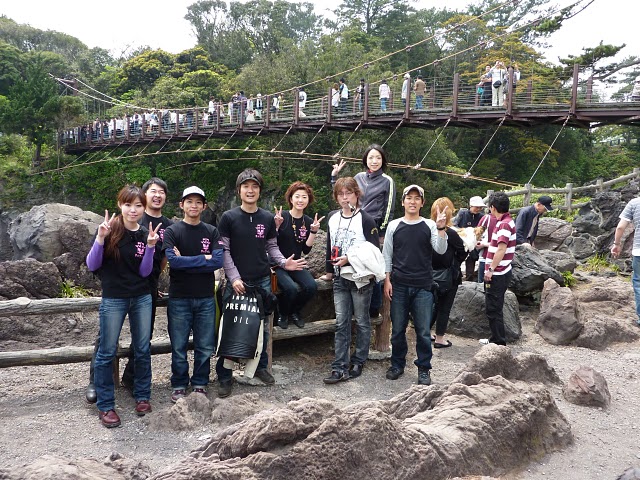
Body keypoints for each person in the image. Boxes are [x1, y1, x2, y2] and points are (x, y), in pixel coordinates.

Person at [216, 168, 307, 397]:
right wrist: (234, 277)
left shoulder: (266, 218)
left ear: (259, 190)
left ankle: (260, 367)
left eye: (254, 186)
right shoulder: (228, 218)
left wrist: (284, 262)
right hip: (237, 282)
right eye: (246, 186)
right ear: (239, 191)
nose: (250, 190)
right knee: (231, 327)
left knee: (262, 327)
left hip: (262, 279)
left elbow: (271, 246)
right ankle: (224, 376)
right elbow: (224, 251)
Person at [85, 178, 172, 404]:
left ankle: (141, 394)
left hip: (142, 295)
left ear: (143, 207)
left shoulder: (148, 232)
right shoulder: (110, 229)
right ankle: (104, 400)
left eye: (138, 206)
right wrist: (100, 238)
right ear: (120, 205)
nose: (133, 210)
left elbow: (147, 269)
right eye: (128, 205)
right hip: (114, 297)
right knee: (106, 348)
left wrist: (151, 248)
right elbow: (92, 264)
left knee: (142, 348)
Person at [163, 186, 223, 402]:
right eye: (189, 201)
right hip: (179, 297)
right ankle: (179, 384)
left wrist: (186, 260)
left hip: (205, 297)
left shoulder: (211, 231)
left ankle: (200, 382)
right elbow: (173, 262)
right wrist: (203, 258)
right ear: (182, 205)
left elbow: (218, 261)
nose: (194, 206)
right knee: (178, 346)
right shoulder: (172, 231)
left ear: (204, 206)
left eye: (198, 202)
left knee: (205, 345)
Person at [383, 185, 448, 385]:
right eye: (409, 198)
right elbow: (387, 254)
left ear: (422, 202)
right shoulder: (394, 225)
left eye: (416, 198)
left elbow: (440, 249)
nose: (412, 201)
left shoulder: (429, 225)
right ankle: (397, 364)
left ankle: (424, 368)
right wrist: (387, 280)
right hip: (399, 284)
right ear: (403, 202)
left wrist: (441, 228)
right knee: (397, 329)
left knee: (423, 331)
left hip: (423, 286)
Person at [322, 177, 384, 384]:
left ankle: (358, 360)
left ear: (357, 195)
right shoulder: (332, 218)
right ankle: (339, 366)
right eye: (340, 194)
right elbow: (330, 244)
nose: (345, 197)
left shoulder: (366, 219)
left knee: (362, 321)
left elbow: (374, 250)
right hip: (339, 277)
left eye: (348, 193)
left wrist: (349, 258)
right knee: (341, 323)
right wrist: (329, 271)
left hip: (360, 278)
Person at [331, 144, 396, 317]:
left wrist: (381, 232)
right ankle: (354, 306)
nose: (374, 161)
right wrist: (334, 177)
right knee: (354, 262)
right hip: (355, 222)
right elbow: (343, 195)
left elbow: (389, 208)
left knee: (372, 264)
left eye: (378, 158)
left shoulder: (387, 181)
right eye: (371, 157)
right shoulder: (358, 177)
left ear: (383, 160)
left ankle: (374, 307)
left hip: (373, 226)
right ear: (365, 159)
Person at [273, 182, 324, 329]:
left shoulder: (307, 221)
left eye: (304, 197)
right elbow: (270, 243)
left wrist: (313, 231)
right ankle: (283, 313)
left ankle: (295, 311)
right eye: (297, 196)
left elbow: (306, 250)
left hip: (296, 263)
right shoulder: (281, 217)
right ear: (291, 199)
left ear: (308, 200)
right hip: (278, 264)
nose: (300, 200)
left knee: (311, 287)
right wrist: (276, 226)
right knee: (290, 288)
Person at [480, 191, 516, 346]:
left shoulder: (504, 224)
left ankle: (498, 342)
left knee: (493, 308)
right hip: (502, 270)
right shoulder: (507, 221)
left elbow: (501, 249)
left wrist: (491, 269)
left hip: (498, 273)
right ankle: (495, 338)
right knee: (494, 307)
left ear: (493, 207)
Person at [430, 197, 467, 349]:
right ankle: (439, 338)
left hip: (429, 275)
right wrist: (455, 262)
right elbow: (463, 251)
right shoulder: (450, 233)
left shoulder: (428, 230)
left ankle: (425, 332)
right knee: (444, 308)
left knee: (432, 306)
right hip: (448, 277)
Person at [611, 197, 640, 327]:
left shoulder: (634, 203)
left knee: (639, 283)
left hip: (639, 252)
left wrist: (617, 244)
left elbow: (620, 227)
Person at [453, 195, 486, 280]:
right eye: (476, 207)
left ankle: (469, 278)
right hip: (461, 241)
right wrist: (464, 232)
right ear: (471, 205)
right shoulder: (462, 213)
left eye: (480, 207)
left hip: (473, 243)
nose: (478, 209)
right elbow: (455, 225)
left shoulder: (481, 216)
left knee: (472, 257)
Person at [475, 209, 498, 284]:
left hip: (486, 258)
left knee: (483, 285)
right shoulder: (508, 221)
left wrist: (484, 244)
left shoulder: (486, 218)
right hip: (499, 260)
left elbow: (477, 235)